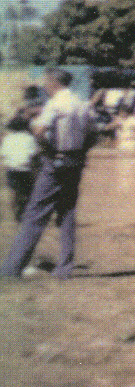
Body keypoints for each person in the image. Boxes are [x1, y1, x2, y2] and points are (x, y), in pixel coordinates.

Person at [2, 69, 94, 280]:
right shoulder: (82, 103)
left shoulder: (54, 105)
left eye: (45, 81)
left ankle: (12, 268)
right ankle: (64, 268)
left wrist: (46, 150)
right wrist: (80, 154)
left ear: (52, 82)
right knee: (67, 213)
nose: (43, 85)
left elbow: (39, 131)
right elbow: (93, 133)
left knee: (35, 214)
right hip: (74, 162)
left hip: (55, 162)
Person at [3, 107, 41, 221]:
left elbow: (3, 154)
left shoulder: (7, 138)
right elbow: (35, 153)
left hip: (11, 169)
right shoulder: (29, 138)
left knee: (14, 190)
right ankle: (25, 211)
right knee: (28, 191)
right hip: (25, 170)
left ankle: (15, 210)